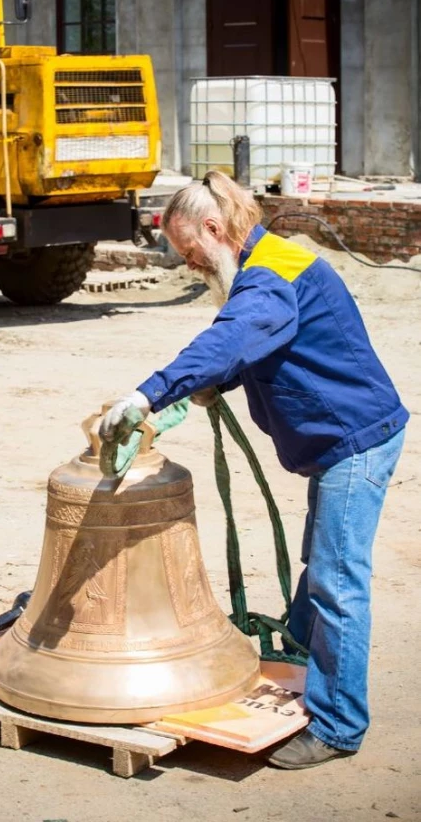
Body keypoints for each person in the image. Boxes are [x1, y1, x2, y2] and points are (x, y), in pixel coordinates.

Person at [99, 170, 408, 770]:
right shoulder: (269, 264)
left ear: (214, 229)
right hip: (347, 438)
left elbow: (237, 335)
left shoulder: (269, 278)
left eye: (191, 253)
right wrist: (206, 390)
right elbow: (257, 347)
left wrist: (148, 396)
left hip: (355, 442)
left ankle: (339, 725)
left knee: (336, 582)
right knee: (323, 566)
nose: (191, 266)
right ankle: (300, 675)